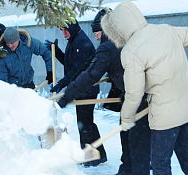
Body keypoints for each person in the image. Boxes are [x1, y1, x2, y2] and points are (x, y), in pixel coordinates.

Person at [101, 1, 188, 175]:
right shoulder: (166, 29)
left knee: (160, 164)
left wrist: (127, 117)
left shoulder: (130, 51)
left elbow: (134, 93)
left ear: (118, 29)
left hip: (165, 119)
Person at [55, 9, 150, 174]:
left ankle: (126, 166)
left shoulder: (107, 47)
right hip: (135, 98)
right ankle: (127, 169)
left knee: (135, 143)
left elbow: (89, 73)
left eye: (97, 32)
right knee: (131, 140)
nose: (96, 36)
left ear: (106, 30)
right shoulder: (124, 42)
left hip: (137, 100)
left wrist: (67, 94)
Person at [45, 19, 107, 167]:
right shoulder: (74, 40)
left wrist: (62, 83)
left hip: (87, 89)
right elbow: (70, 64)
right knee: (86, 123)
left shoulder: (80, 43)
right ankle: (97, 154)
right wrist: (57, 51)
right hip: (82, 88)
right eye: (61, 30)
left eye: (66, 29)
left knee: (85, 124)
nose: (64, 33)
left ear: (73, 28)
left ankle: (92, 156)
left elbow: (76, 71)